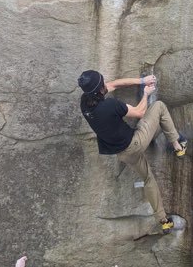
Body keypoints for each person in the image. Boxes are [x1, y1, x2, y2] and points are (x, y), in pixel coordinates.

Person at [77, 70, 187, 233]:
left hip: (123, 153)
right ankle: (178, 145)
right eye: (102, 82)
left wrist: (142, 80)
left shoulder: (85, 103)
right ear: (100, 89)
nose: (106, 83)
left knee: (148, 178)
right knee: (159, 106)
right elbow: (140, 112)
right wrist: (146, 93)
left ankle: (163, 221)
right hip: (136, 143)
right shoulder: (110, 105)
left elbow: (113, 84)